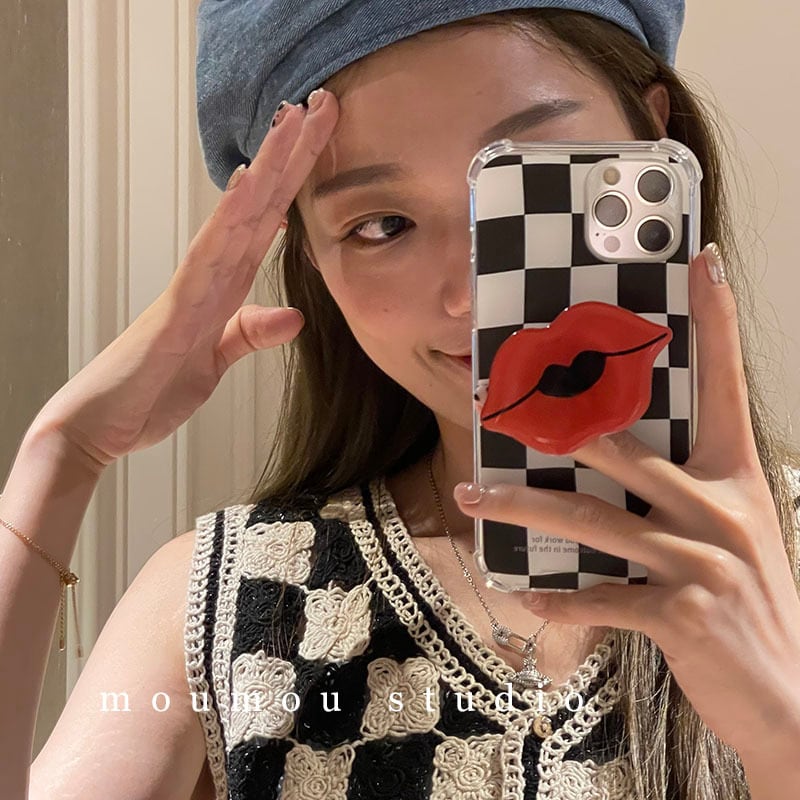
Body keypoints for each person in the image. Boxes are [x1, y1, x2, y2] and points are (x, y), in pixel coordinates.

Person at [2, 1, 800, 798]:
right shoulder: (230, 598)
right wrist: (65, 454)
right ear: (312, 259)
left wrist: (783, 735)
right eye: (383, 224)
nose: (472, 293)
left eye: (532, 180)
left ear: (656, 142)